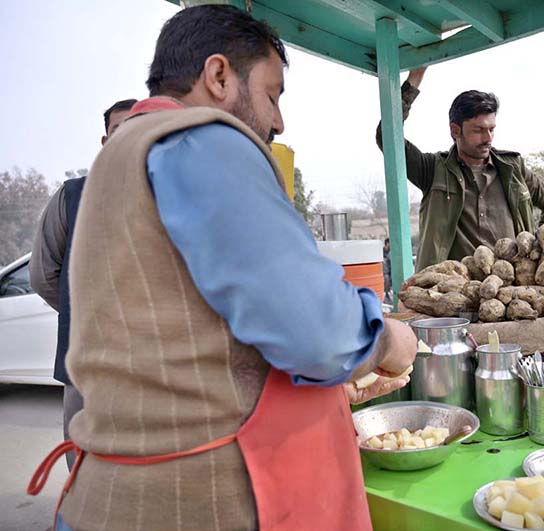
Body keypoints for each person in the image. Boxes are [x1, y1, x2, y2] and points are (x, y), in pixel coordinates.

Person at [29, 6, 417, 531]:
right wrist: (387, 341)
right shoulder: (199, 138)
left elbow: (186, 332)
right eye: (272, 94)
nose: (278, 120)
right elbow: (318, 331)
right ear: (218, 76)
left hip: (107, 496)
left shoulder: (117, 160)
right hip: (204, 502)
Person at [29, 98, 137, 470]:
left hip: (151, 367)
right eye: (119, 131)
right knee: (83, 468)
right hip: (85, 364)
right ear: (105, 141)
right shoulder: (71, 197)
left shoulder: (173, 197)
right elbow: (43, 276)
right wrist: (89, 315)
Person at [376, 67, 544, 271]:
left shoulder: (513, 168)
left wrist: (542, 247)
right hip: (452, 291)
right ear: (455, 130)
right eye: (478, 130)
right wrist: (413, 82)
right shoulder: (432, 170)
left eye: (491, 129)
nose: (488, 138)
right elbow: (386, 136)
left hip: (509, 290)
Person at [383, 237, 392, 303]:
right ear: (387, 243)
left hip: (389, 272)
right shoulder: (381, 252)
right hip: (384, 273)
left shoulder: (390, 253)